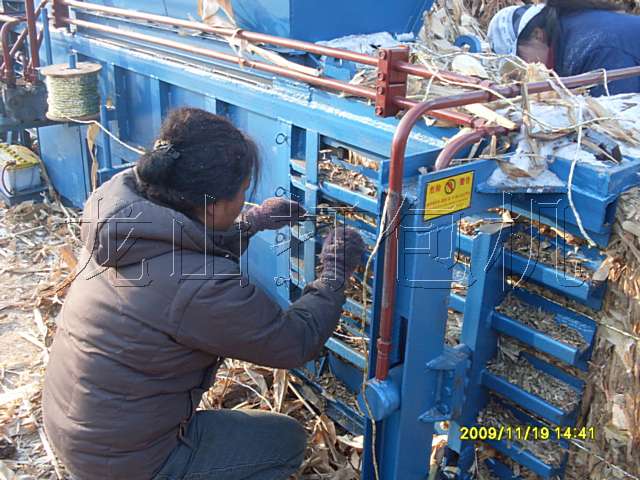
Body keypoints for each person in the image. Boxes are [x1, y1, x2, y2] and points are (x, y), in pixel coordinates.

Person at [42, 108, 365, 480]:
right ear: (212, 205)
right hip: (124, 462)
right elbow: (294, 342)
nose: (247, 200)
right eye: (244, 194)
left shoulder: (121, 220)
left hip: (79, 427)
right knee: (284, 440)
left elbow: (181, 243)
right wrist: (335, 273)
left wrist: (248, 224)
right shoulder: (202, 286)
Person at [488, 0, 640, 96]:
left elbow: (621, 121)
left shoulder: (591, 48)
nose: (520, 72)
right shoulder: (567, 34)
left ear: (537, 35)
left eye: (518, 60)